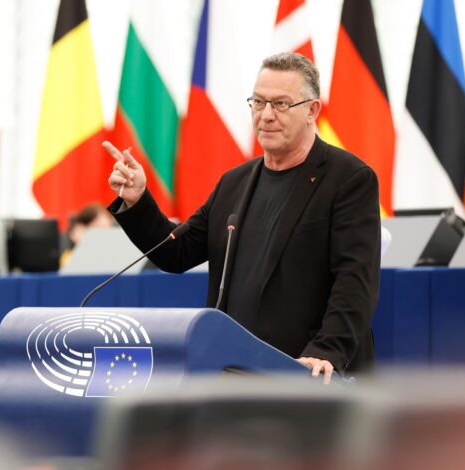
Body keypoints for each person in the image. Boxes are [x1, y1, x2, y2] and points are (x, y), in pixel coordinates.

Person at [104, 52, 380, 383]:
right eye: (258, 102)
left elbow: (355, 280)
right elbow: (176, 252)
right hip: (236, 373)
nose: (266, 115)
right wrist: (137, 200)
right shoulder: (234, 183)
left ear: (312, 110)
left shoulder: (348, 179)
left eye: (281, 104)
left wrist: (327, 350)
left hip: (307, 372)